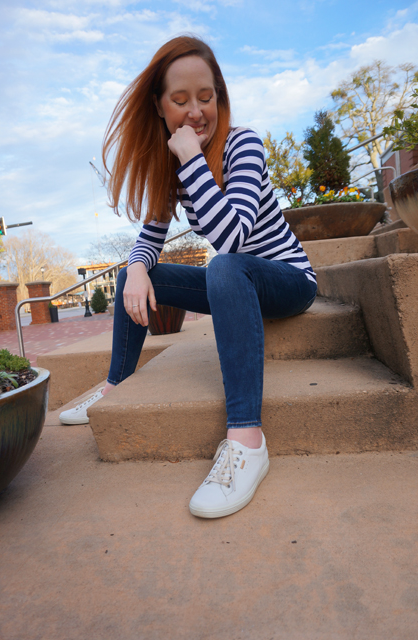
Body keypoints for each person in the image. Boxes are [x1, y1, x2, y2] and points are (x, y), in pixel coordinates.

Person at [59, 35, 317, 519]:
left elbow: (234, 236)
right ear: (159, 107)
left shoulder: (243, 144)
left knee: (223, 262)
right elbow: (149, 236)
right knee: (142, 270)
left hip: (287, 279)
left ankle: (247, 440)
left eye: (206, 96)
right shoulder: (175, 166)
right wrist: (137, 269)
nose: (196, 111)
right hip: (235, 285)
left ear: (220, 96)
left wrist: (193, 160)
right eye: (180, 100)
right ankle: (116, 384)